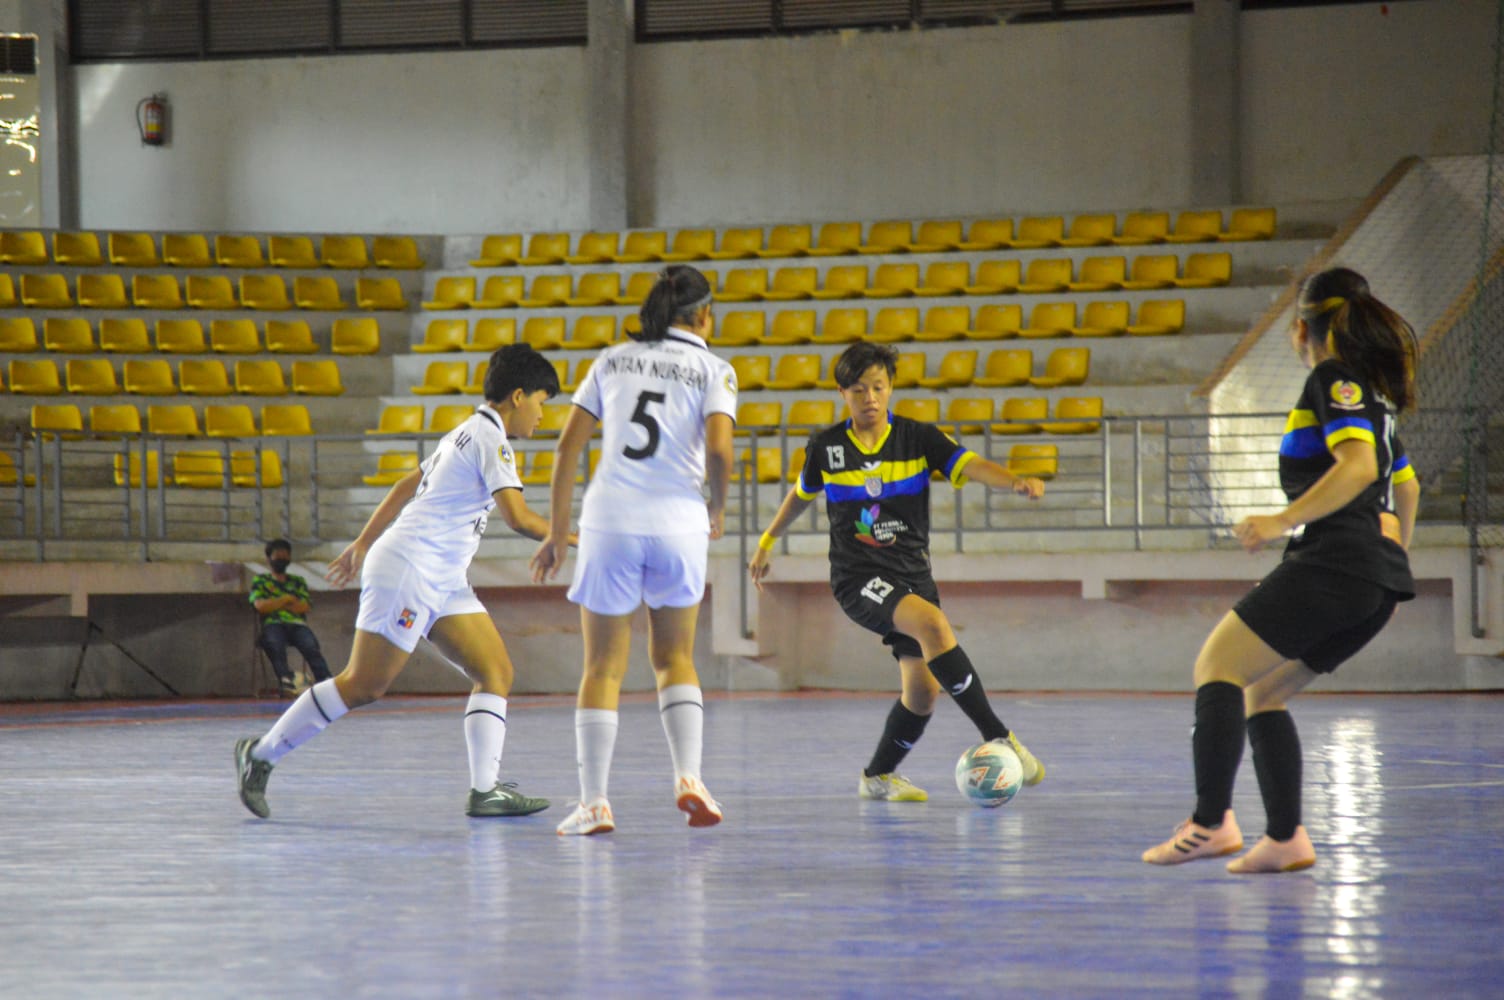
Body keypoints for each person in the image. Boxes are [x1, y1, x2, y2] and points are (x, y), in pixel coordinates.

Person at [1142, 267, 1420, 873]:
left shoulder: (1332, 378)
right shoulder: (1374, 400)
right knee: (1262, 694)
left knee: (1216, 667)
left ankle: (1210, 823)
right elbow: (1407, 487)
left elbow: (1357, 466)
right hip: (1373, 582)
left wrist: (1280, 519)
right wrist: (1392, 562)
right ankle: (1286, 838)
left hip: (1333, 562)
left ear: (1300, 330)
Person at [235, 343, 566, 821]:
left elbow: (403, 486)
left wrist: (363, 543)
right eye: (541, 402)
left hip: (442, 577)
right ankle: (260, 755)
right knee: (364, 684)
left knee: (495, 672)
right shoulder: (491, 440)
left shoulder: (465, 432)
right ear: (518, 396)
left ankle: (485, 791)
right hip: (412, 568)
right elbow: (517, 518)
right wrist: (578, 536)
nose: (541, 415)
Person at [747, 341, 1047, 802]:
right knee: (932, 624)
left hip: (912, 575)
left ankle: (877, 777)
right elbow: (801, 495)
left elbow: (970, 464)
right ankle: (1000, 737)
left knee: (923, 694)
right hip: (858, 578)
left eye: (878, 387)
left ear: (890, 388)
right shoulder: (826, 448)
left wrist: (1014, 481)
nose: (869, 397)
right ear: (843, 393)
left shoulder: (918, 438)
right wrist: (767, 541)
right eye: (859, 389)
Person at [531, 264, 735, 837]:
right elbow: (720, 451)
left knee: (602, 667)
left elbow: (567, 449)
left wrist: (556, 532)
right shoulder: (715, 370)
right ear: (704, 315)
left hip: (611, 520)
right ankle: (690, 777)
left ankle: (595, 803)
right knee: (675, 658)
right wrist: (717, 508)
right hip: (679, 522)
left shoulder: (612, 359)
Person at [250, 539, 333, 697]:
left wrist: (274, 603)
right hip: (272, 624)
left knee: (310, 644)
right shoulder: (260, 581)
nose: (281, 560)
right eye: (277, 556)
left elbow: (304, 606)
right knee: (274, 644)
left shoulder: (298, 581)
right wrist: (287, 599)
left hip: (297, 624)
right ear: (269, 559)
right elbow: (260, 606)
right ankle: (286, 680)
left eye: (284, 556)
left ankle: (325, 680)